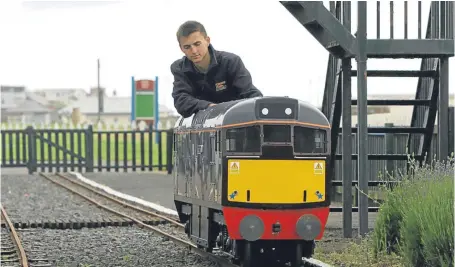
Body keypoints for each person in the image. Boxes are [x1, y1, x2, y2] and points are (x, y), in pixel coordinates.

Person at [170, 20, 263, 118]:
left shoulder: (230, 62)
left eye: (197, 44)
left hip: (235, 119)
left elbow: (248, 93)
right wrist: (210, 107)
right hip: (204, 124)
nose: (194, 51)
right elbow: (181, 101)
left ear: (207, 41)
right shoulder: (179, 68)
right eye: (187, 47)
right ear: (181, 48)